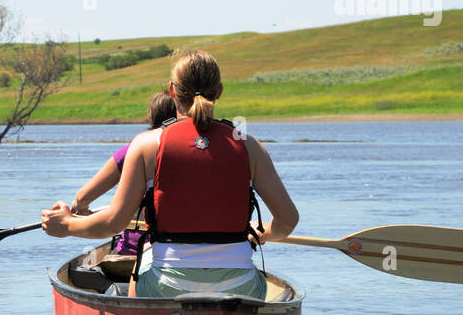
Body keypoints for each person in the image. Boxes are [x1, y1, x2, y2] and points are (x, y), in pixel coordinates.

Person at [42, 50, 299, 300]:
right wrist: (263, 234)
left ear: (172, 91)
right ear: (219, 90)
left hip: (167, 285)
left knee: (140, 265)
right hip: (240, 285)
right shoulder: (249, 146)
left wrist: (66, 225)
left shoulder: (145, 145)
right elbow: (288, 220)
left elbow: (114, 223)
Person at [69, 89, 177, 216]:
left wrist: (79, 207)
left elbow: (83, 197)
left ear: (152, 115)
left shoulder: (138, 147)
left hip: (143, 233)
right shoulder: (196, 147)